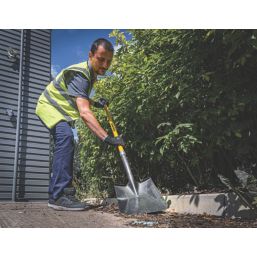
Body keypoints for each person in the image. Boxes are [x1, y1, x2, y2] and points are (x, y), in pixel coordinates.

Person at [35, 38, 124, 211]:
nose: (105, 65)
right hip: (49, 107)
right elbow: (84, 112)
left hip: (56, 109)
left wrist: (96, 103)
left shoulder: (90, 75)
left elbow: (76, 95)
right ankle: (58, 196)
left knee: (67, 141)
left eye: (109, 61)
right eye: (101, 59)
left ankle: (64, 193)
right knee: (66, 138)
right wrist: (107, 138)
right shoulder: (82, 74)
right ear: (90, 55)